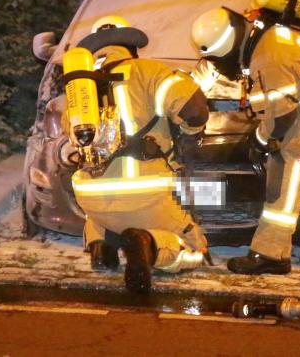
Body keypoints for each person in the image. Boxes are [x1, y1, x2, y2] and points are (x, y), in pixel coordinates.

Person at [190, 7, 300, 274]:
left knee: (290, 164)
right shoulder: (263, 39)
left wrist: (259, 142)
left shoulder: (266, 58)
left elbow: (280, 120)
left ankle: (271, 254)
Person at [59, 15, 210, 293]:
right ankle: (148, 245)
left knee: (104, 210)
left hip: (93, 201)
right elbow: (195, 110)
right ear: (131, 46)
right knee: (195, 247)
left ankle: (101, 246)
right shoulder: (148, 71)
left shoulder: (80, 93)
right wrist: (192, 135)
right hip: (146, 195)